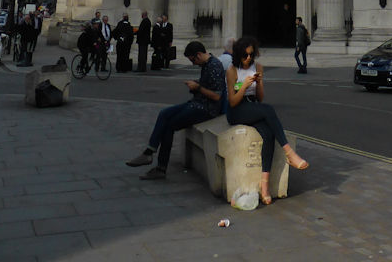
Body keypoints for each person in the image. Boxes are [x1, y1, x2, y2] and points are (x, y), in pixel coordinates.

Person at [225, 36, 308, 206]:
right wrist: (244, 86)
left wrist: (259, 83)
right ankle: (289, 153)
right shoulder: (232, 70)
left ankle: (265, 186)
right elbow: (232, 101)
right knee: (269, 110)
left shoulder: (258, 67)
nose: (248, 58)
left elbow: (260, 98)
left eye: (251, 55)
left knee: (268, 134)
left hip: (253, 107)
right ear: (239, 55)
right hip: (237, 111)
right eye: (245, 55)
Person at [125, 41, 225, 179]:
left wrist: (197, 88)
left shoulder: (215, 66)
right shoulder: (207, 64)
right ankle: (149, 152)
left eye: (193, 60)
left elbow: (216, 96)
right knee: (164, 113)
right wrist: (197, 84)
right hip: (197, 103)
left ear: (199, 55)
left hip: (206, 109)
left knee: (169, 125)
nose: (193, 63)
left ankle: (159, 166)